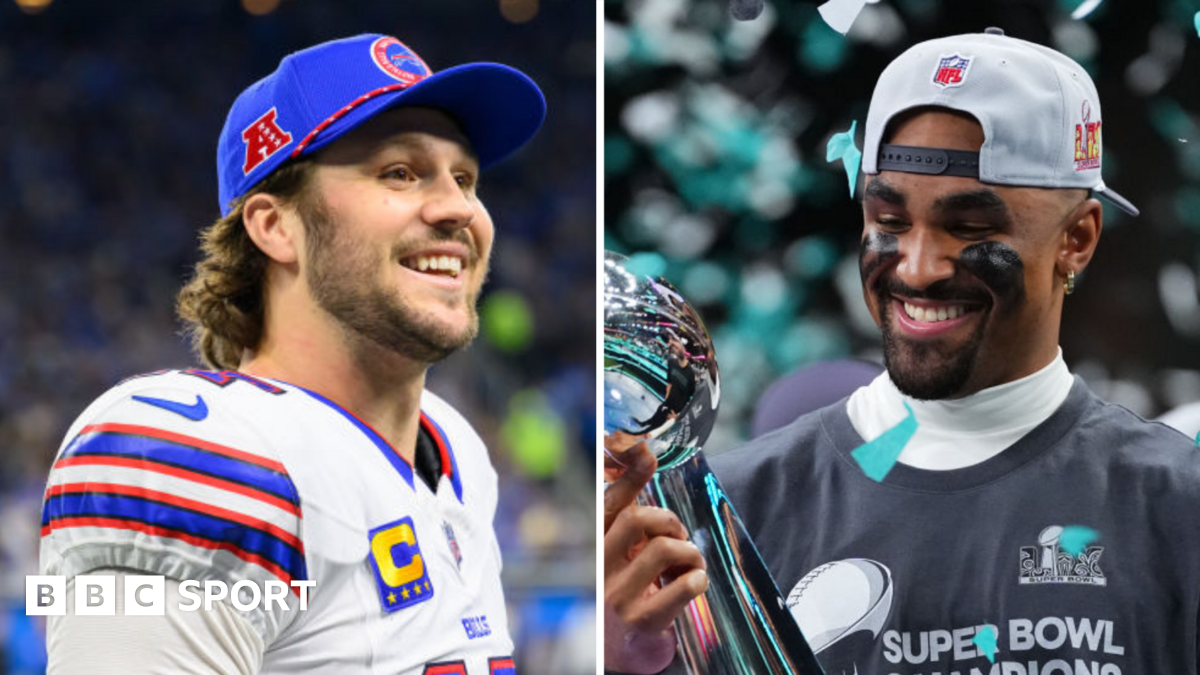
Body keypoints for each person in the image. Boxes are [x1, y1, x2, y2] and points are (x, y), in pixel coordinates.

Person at [604, 29, 1200, 675]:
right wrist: (622, 655)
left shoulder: (1175, 506)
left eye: (969, 227)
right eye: (888, 221)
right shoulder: (734, 512)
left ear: (1077, 239)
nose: (916, 268)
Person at [40, 33, 544, 674]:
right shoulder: (188, 453)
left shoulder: (458, 448)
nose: (458, 208)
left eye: (465, 178)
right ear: (275, 226)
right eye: (399, 172)